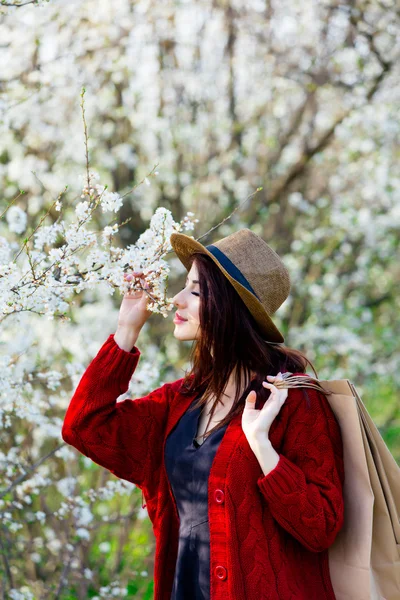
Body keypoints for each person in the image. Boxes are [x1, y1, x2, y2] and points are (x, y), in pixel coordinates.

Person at [62, 228, 345, 600]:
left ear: (229, 307)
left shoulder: (293, 402)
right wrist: (126, 330)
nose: (177, 299)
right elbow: (84, 427)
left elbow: (321, 527)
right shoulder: (179, 401)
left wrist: (263, 448)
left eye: (195, 291)